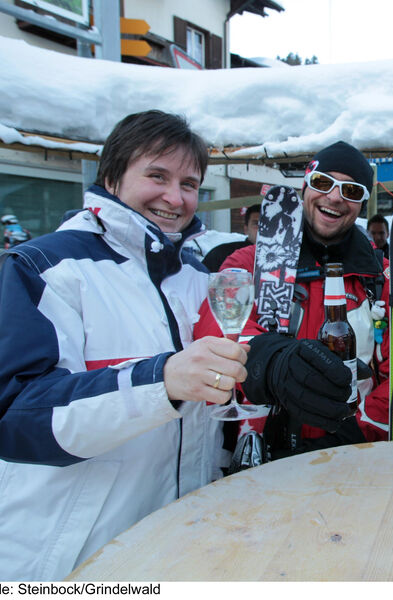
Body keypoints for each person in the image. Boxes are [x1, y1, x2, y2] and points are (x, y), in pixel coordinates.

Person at [0, 110, 251, 581]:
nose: (175, 198)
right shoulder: (44, 266)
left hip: (170, 550)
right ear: (112, 175)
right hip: (65, 561)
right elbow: (15, 416)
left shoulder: (196, 277)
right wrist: (160, 380)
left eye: (190, 184)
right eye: (157, 175)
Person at [217, 140, 390, 455]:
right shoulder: (247, 264)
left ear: (362, 204)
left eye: (351, 191)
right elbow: (219, 334)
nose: (335, 197)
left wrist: (356, 429)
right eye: (324, 183)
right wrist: (269, 363)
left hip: (353, 448)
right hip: (264, 447)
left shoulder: (382, 278)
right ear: (305, 185)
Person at [201, 203, 260, 272]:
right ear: (246, 229)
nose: (263, 228)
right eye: (256, 224)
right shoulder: (221, 253)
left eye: (270, 224)